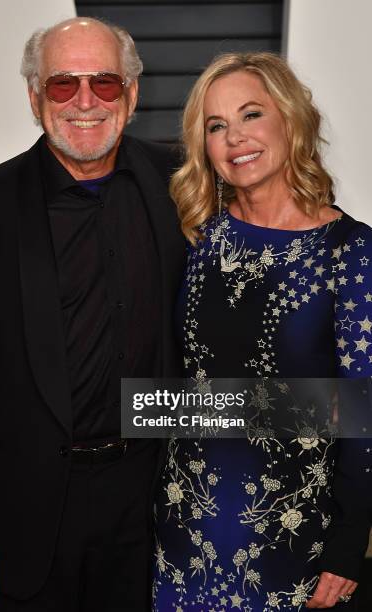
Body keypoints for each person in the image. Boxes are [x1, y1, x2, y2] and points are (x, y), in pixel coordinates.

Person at [0, 17, 185, 612]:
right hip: (21, 523)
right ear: (34, 96)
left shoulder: (184, 186)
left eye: (106, 83)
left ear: (134, 94)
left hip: (154, 512)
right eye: (64, 84)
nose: (86, 102)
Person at [154, 52, 372, 611]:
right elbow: (178, 388)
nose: (235, 139)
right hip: (182, 535)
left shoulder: (350, 251)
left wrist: (347, 546)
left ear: (290, 120)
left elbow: (364, 408)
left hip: (293, 544)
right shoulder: (199, 237)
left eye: (251, 115)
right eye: (216, 125)